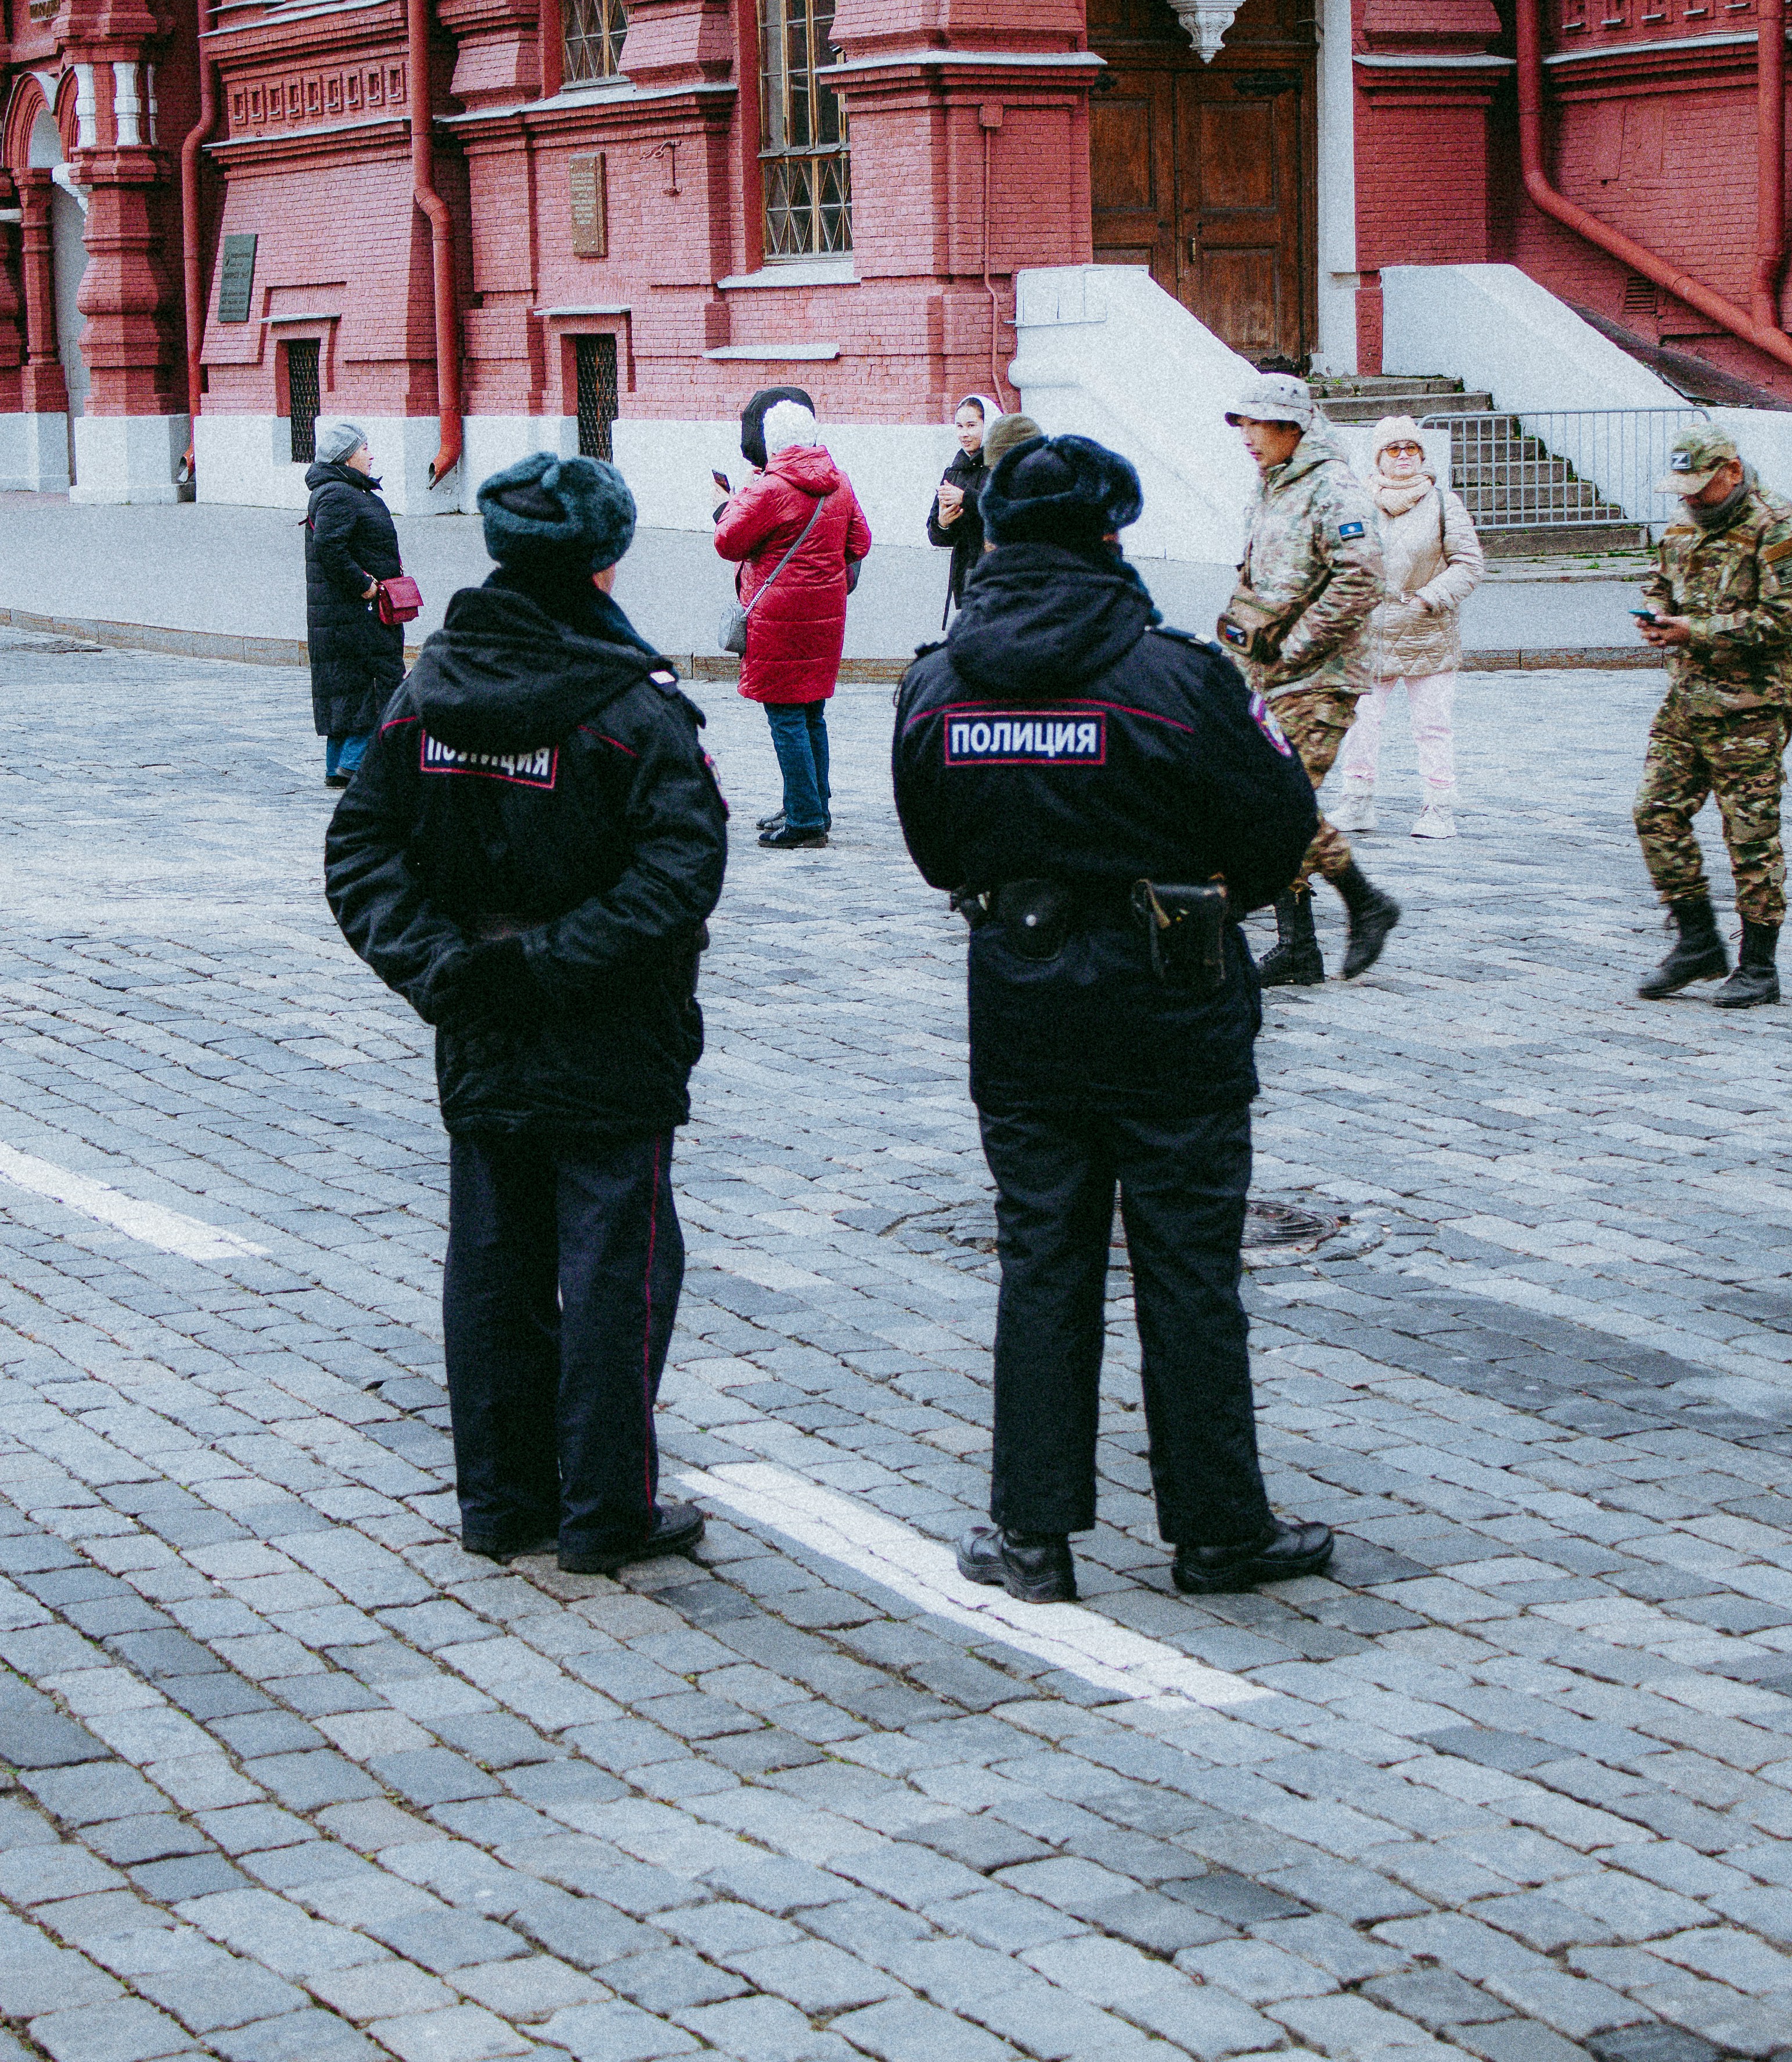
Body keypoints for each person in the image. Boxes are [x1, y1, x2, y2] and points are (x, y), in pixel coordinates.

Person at [893, 432, 1333, 1606]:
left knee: (1041, 1263)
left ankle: (1032, 1537)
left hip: (1024, 1005)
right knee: (1190, 1271)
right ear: (1109, 535)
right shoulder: (1179, 677)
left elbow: (935, 845)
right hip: (1171, 997)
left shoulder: (939, 681)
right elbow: (1282, 823)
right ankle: (1217, 1530)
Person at [324, 453, 728, 1573]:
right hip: (605, 1019)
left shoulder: (428, 692)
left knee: (493, 1261)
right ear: (607, 559)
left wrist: (451, 968)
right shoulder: (629, 707)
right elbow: (680, 873)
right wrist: (547, 964)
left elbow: (361, 851)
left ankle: (500, 1504)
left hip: (482, 1017)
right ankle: (608, 1512)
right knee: (617, 1269)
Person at [1219, 369, 1398, 985]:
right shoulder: (1272, 484)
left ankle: (1362, 901)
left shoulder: (1333, 488)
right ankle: (1302, 943)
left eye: (1257, 423)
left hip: (1321, 676)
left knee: (1279, 800)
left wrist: (1295, 645)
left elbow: (1363, 577)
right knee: (1273, 800)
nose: (1246, 435)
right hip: (1267, 673)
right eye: (1241, 422)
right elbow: (1260, 576)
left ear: (1291, 426)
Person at [1632, 423, 1792, 1007]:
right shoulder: (1687, 522)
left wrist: (1698, 631)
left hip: (1751, 708)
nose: (1688, 496)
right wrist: (1657, 612)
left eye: (1700, 484)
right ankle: (1697, 942)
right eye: (1682, 486)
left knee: (1751, 836)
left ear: (1732, 471)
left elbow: (1781, 622)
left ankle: (1759, 966)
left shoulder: (1779, 528)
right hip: (1687, 699)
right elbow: (1662, 578)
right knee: (1655, 813)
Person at [714, 401, 872, 848]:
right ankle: (812, 803)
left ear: (771, 441)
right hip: (825, 617)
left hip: (778, 620)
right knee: (811, 713)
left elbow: (728, 542)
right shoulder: (838, 481)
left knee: (785, 716)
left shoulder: (771, 488)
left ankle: (804, 820)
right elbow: (860, 540)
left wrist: (734, 499)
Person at [1334, 416, 1485, 841]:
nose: (1403, 456)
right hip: (1369, 632)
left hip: (1427, 631)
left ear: (1422, 455)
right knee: (1361, 721)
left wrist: (1427, 598)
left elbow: (1469, 564)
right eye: (1393, 449)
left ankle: (1439, 808)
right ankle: (1357, 800)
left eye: (1411, 449)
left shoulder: (1443, 503)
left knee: (1432, 725)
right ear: (1378, 457)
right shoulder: (1357, 502)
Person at [305, 419, 406, 789]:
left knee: (347, 685)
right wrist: (364, 585)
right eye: (364, 448)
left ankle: (338, 766)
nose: (371, 454)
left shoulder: (344, 492)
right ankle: (356, 763)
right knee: (374, 681)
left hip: (344, 615)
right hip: (356, 612)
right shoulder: (339, 494)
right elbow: (330, 549)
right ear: (347, 457)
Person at [928, 394, 999, 617]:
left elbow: (1004, 510)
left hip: (996, 571)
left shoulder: (1000, 466)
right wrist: (943, 523)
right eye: (959, 426)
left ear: (988, 425)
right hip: (965, 574)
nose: (964, 434)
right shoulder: (953, 472)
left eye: (972, 425)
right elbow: (937, 537)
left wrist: (965, 498)